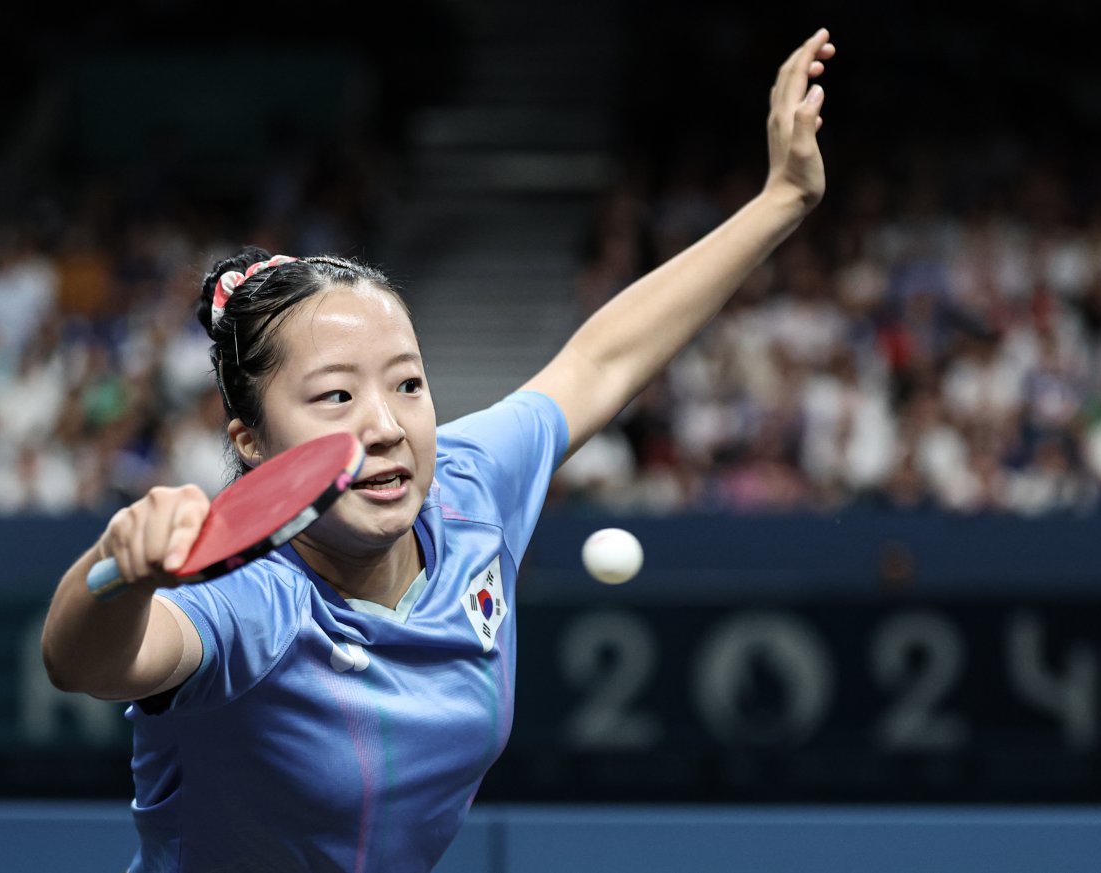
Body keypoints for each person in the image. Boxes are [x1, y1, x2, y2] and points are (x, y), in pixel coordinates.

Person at [41, 28, 836, 873]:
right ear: (251, 439)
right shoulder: (253, 603)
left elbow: (601, 359)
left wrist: (780, 199)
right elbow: (84, 659)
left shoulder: (467, 488)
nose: (386, 424)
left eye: (408, 384)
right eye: (337, 396)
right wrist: (119, 572)